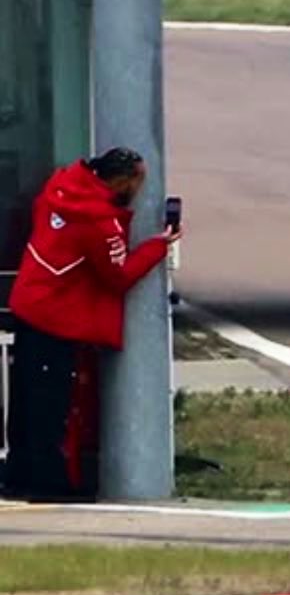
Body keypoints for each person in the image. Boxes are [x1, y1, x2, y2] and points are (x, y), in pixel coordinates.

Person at [4, 148, 181, 500]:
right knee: (50, 405)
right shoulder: (100, 222)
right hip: (56, 318)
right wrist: (158, 246)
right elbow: (118, 275)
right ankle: (48, 484)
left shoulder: (61, 186)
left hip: (28, 301)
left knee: (24, 399)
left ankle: (18, 474)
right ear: (122, 182)